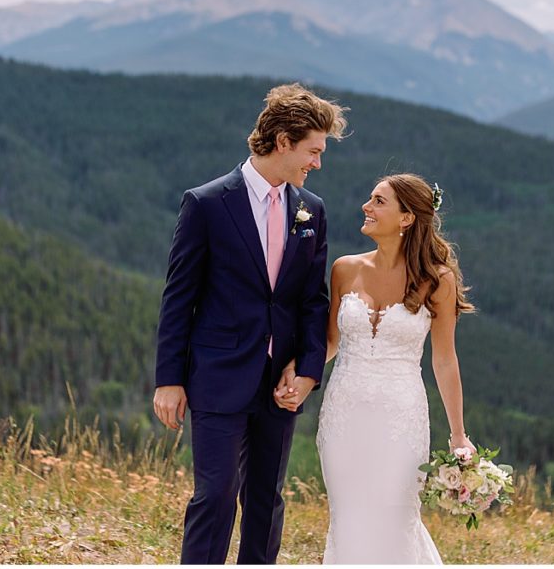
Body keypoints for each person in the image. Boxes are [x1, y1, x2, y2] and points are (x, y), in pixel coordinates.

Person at [153, 83, 347, 564]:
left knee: (266, 500)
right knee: (215, 496)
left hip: (280, 384)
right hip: (218, 377)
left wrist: (305, 371)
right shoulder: (207, 203)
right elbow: (179, 297)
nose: (316, 163)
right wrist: (169, 379)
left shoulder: (312, 210)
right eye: (312, 151)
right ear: (283, 141)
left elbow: (311, 299)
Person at [276, 173, 476, 564]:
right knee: (349, 519)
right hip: (343, 415)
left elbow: (444, 359)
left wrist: (458, 436)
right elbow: (330, 342)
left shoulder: (438, 279)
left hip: (400, 417)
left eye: (378, 201)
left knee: (394, 518)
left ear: (406, 218)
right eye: (370, 198)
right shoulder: (344, 269)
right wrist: (298, 372)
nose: (366, 207)